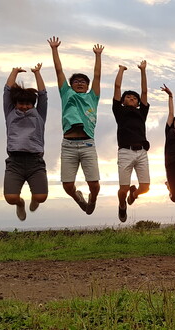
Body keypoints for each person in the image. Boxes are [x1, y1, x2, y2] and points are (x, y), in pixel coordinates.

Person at [48, 36, 104, 215]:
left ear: (87, 86)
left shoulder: (92, 97)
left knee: (94, 185)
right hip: (69, 145)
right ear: (71, 85)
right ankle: (78, 198)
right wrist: (54, 49)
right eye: (76, 81)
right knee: (67, 185)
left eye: (83, 81)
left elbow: (97, 76)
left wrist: (97, 55)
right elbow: (59, 71)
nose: (80, 83)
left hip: (88, 143)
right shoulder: (66, 94)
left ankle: (92, 199)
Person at [2, 64, 48, 221]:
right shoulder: (10, 113)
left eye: (28, 104)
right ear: (15, 104)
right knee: (11, 198)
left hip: (35, 161)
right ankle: (20, 204)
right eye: (21, 103)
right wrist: (14, 72)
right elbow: (7, 92)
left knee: (41, 197)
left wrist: (37, 73)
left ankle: (35, 198)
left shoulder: (39, 114)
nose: (24, 107)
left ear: (33, 105)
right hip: (15, 161)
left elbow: (43, 95)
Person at [113, 61, 150, 222]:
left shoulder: (142, 112)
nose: (132, 99)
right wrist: (121, 70)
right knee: (123, 188)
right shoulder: (119, 111)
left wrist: (143, 71)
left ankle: (133, 195)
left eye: (134, 98)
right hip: (125, 151)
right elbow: (116, 88)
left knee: (145, 188)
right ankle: (122, 205)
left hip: (141, 151)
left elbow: (144, 91)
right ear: (123, 101)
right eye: (128, 97)